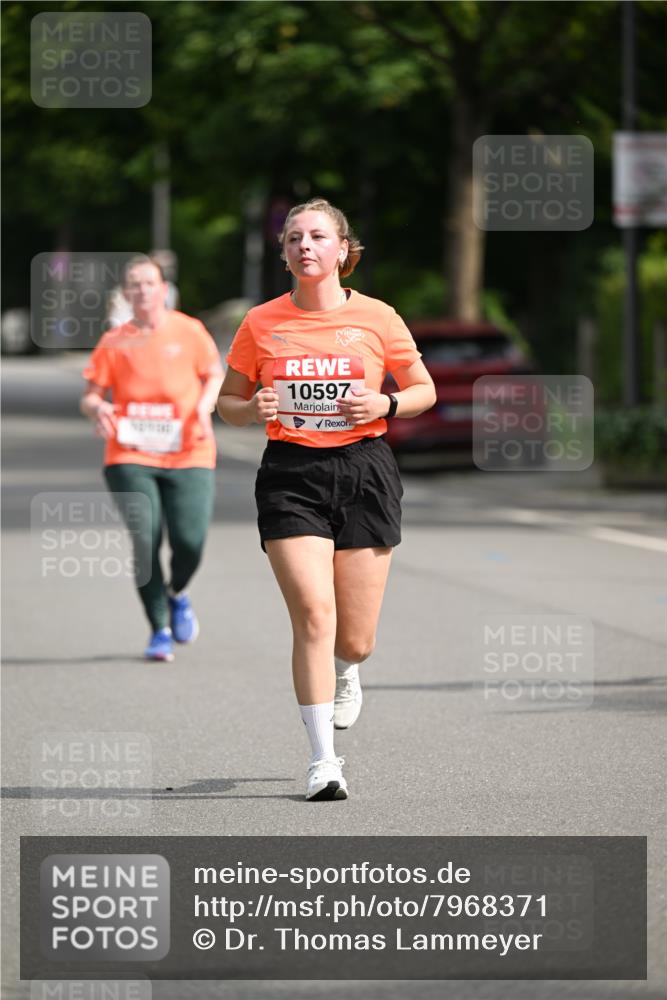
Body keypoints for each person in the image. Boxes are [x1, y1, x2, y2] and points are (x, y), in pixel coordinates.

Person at [217, 198, 436, 800]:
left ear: (344, 250)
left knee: (354, 637)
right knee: (314, 613)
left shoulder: (378, 317)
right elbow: (228, 402)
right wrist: (250, 409)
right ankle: (323, 762)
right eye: (293, 238)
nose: (304, 246)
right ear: (284, 253)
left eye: (317, 236)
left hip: (365, 467)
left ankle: (348, 670)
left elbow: (423, 389)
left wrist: (384, 404)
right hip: (292, 471)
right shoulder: (261, 322)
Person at [81, 255, 223, 662]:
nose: (142, 290)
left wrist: (203, 407)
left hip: (190, 449)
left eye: (149, 282)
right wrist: (99, 410)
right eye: (134, 284)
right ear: (126, 293)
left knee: (189, 542)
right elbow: (90, 394)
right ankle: (158, 628)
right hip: (130, 452)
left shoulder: (190, 331)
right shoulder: (115, 340)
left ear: (163, 289)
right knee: (145, 541)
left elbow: (213, 373)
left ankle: (177, 592)